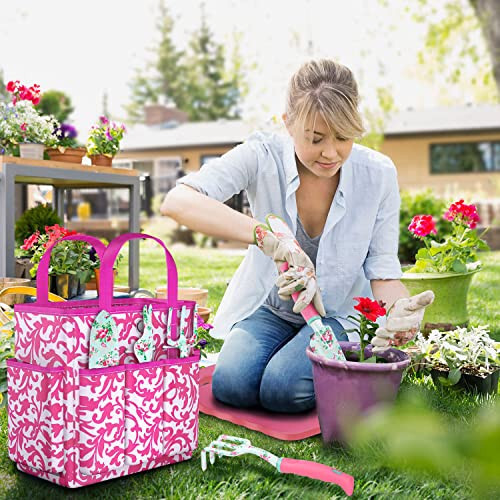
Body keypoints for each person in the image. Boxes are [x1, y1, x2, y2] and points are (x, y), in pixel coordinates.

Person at [161, 59, 433, 413]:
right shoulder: (262, 156)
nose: (331, 152)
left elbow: (382, 270)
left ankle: (323, 361)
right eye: (316, 138)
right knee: (231, 384)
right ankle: (301, 352)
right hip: (275, 309)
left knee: (282, 390)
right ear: (287, 123)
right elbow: (178, 200)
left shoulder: (377, 174)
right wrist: (265, 237)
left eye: (343, 137)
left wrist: (400, 310)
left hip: (339, 313)